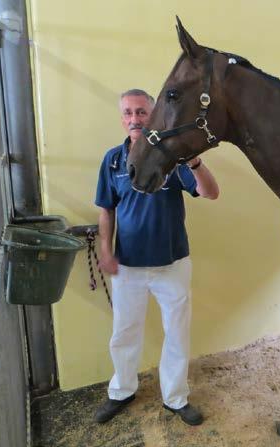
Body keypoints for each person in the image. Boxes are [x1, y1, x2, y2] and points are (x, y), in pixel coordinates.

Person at [93, 88, 219, 425]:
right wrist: (106, 250)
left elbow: (211, 192)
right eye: (128, 113)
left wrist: (194, 159)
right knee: (124, 333)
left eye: (141, 112)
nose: (134, 118)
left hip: (172, 265)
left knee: (177, 334)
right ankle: (121, 391)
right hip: (128, 268)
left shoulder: (172, 157)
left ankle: (176, 398)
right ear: (122, 119)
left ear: (153, 115)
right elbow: (106, 210)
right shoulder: (113, 160)